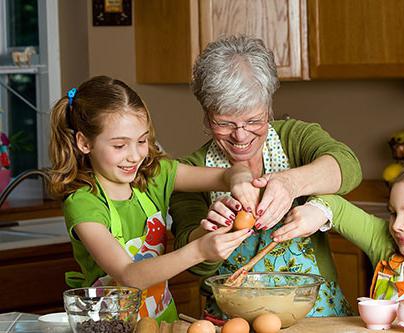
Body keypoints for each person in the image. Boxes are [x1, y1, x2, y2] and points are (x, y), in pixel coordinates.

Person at [170, 35, 362, 318]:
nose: (241, 135)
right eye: (224, 123)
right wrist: (208, 233)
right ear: (206, 116)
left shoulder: (295, 138)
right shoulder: (192, 172)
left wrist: (290, 183)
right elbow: (194, 266)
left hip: (315, 316)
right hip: (233, 319)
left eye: (253, 120)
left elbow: (349, 166)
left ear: (269, 108)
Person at [47, 76, 257, 323]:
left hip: (161, 322)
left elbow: (228, 174)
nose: (134, 156)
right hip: (109, 328)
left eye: (141, 141)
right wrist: (200, 249)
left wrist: (240, 181)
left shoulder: (154, 175)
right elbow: (129, 276)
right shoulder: (84, 203)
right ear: (84, 143)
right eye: (119, 146)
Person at [284, 157, 404, 325]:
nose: (396, 225)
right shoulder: (385, 242)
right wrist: (317, 211)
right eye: (393, 213)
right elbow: (338, 208)